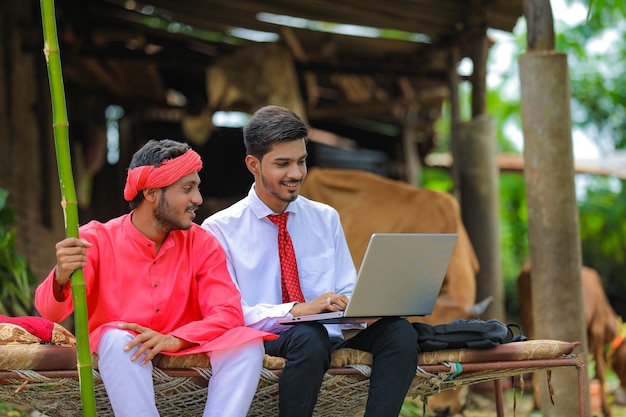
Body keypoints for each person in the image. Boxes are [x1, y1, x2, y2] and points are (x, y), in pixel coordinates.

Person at [202, 105, 418, 417]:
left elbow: (346, 289)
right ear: (254, 164)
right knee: (308, 334)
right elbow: (231, 315)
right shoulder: (220, 229)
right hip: (266, 343)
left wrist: (367, 306)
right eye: (283, 163)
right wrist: (297, 311)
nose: (296, 173)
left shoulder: (325, 218)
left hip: (327, 338)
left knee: (400, 332)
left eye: (301, 161)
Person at [35, 139, 275, 417]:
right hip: (120, 355)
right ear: (151, 193)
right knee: (118, 338)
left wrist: (176, 338)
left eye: (197, 187)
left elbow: (228, 312)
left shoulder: (202, 242)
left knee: (246, 342)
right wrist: (61, 274)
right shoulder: (95, 239)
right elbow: (49, 311)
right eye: (187, 189)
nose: (198, 199)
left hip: (184, 348)